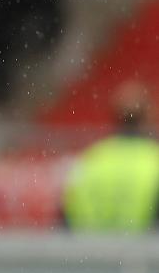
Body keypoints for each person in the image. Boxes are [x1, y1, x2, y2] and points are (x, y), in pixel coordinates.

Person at [63, 82, 159, 232]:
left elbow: (65, 217)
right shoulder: (154, 160)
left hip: (88, 253)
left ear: (116, 118)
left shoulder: (91, 158)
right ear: (147, 119)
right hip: (140, 254)